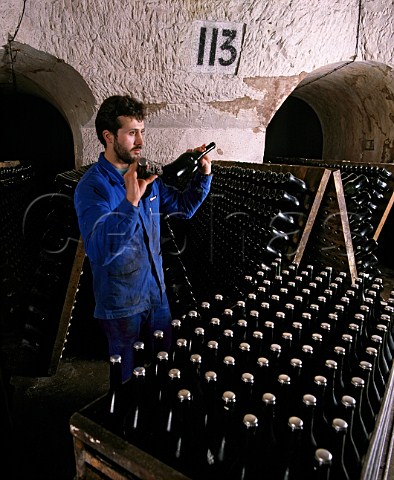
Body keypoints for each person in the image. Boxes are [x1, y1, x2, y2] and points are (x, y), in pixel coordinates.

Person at [74, 94, 212, 382]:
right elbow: (100, 250)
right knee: (126, 381)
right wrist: (130, 203)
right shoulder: (92, 187)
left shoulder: (146, 175)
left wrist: (203, 177)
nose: (141, 141)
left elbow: (183, 209)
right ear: (109, 136)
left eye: (142, 132)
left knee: (164, 372)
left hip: (156, 296)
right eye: (132, 133)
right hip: (121, 304)